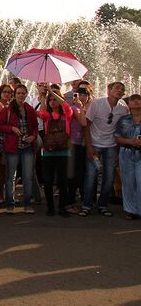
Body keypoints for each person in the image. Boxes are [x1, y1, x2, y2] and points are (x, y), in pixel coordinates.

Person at [80, 81, 128, 217]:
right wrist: (89, 147)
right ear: (108, 90)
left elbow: (124, 128)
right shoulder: (97, 103)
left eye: (122, 89)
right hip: (94, 143)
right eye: (117, 88)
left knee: (109, 177)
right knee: (90, 175)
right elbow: (86, 125)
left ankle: (103, 205)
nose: (120, 90)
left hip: (111, 146)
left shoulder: (123, 109)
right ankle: (87, 205)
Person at [0, 84, 39, 214]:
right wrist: (12, 129)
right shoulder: (8, 110)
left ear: (26, 95)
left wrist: (33, 136)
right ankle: (10, 204)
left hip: (27, 146)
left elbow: (35, 127)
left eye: (23, 93)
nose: (21, 95)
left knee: (27, 176)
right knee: (11, 177)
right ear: (14, 95)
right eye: (18, 93)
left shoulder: (30, 109)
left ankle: (27, 203)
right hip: (12, 146)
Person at [37, 85, 73, 216]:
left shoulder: (67, 115)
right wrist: (43, 96)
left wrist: (52, 91)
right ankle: (50, 207)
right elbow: (41, 112)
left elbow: (66, 106)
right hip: (48, 151)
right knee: (47, 181)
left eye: (55, 99)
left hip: (64, 152)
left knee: (63, 181)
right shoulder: (48, 115)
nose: (53, 101)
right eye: (50, 99)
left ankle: (63, 207)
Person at [65, 81, 91, 213]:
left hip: (82, 145)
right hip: (73, 144)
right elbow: (83, 122)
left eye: (85, 95)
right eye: (80, 94)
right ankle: (69, 202)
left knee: (81, 174)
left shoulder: (86, 108)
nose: (83, 97)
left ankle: (81, 200)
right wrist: (80, 107)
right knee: (73, 175)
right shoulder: (74, 108)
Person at [115, 94, 141, 220]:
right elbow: (117, 137)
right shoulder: (123, 120)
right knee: (128, 182)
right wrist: (129, 141)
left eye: (139, 99)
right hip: (126, 153)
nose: (136, 101)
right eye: (133, 99)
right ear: (129, 104)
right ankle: (131, 210)